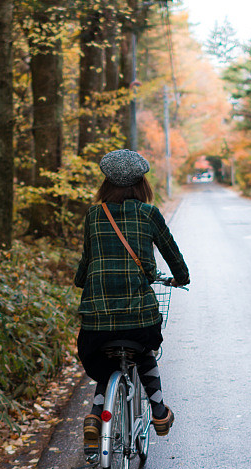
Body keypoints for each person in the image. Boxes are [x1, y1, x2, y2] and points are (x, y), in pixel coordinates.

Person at [74, 149, 190, 451]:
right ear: (141, 184)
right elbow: (171, 252)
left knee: (104, 363)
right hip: (139, 320)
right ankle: (159, 411)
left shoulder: (93, 214)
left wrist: (81, 280)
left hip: (96, 323)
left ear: (106, 183)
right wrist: (181, 277)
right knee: (144, 351)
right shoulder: (148, 214)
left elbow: (86, 261)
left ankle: (95, 414)